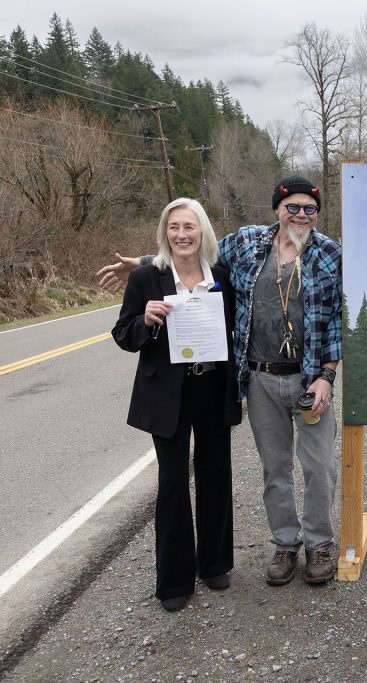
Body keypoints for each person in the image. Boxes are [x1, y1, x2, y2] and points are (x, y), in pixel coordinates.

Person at [100, 176, 343, 586]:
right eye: (292, 207)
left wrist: (328, 376)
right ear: (277, 209)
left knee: (318, 467)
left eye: (309, 209)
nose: (300, 215)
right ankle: (285, 544)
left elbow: (340, 318)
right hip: (260, 378)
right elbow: (188, 251)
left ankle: (319, 544)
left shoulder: (332, 255)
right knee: (275, 470)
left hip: (309, 378)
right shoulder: (247, 244)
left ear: (317, 214)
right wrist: (141, 263)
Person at [112, 198, 242, 612]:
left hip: (212, 385)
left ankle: (215, 563)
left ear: (202, 231)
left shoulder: (221, 275)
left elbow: (237, 326)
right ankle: (174, 581)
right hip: (167, 392)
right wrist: (145, 321)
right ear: (164, 233)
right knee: (172, 482)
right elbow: (123, 334)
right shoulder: (147, 278)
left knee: (215, 473)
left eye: (189, 226)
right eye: (174, 228)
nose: (182, 234)